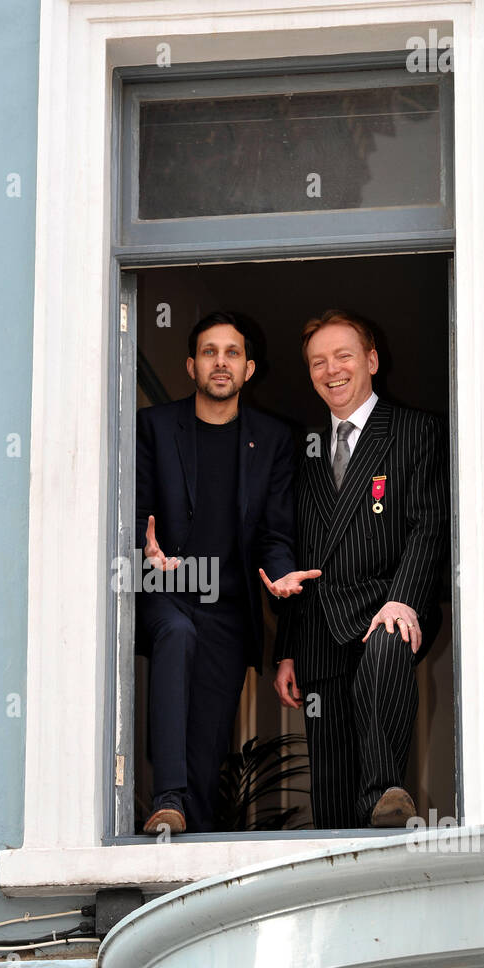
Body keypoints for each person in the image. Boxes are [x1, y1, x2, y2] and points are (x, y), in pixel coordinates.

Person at [136, 312, 320, 835]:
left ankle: (186, 833)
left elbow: (275, 535)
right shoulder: (153, 427)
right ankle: (165, 799)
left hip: (230, 609)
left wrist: (281, 577)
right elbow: (132, 512)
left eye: (232, 352)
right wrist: (142, 552)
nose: (221, 361)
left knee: (209, 744)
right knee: (176, 633)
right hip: (165, 586)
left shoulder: (275, 438)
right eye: (210, 352)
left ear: (249, 368)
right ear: (191, 365)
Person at [274, 309, 449, 828]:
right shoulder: (303, 450)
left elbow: (428, 524)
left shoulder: (415, 430)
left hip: (385, 606)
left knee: (387, 648)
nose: (332, 370)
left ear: (371, 360)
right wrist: (285, 649)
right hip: (319, 629)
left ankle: (387, 792)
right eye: (318, 362)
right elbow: (298, 553)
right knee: (329, 793)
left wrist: (405, 600)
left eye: (343, 356)